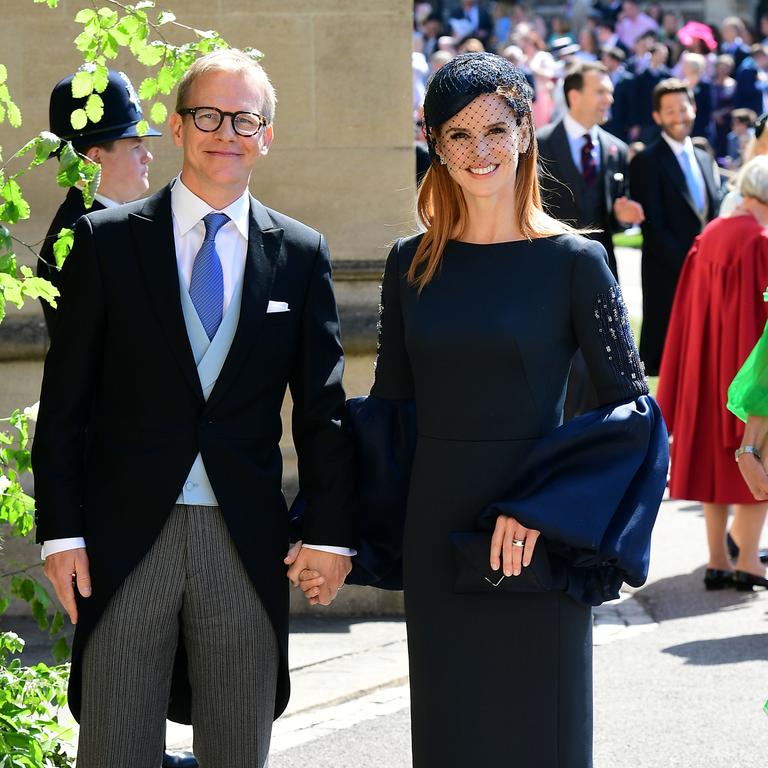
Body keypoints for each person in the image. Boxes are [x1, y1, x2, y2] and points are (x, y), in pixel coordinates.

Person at [310, 51, 652, 768]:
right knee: (452, 736)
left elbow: (632, 417)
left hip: (537, 537)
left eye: (495, 129)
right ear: (433, 145)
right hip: (439, 534)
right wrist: (330, 532)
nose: (479, 151)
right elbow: (390, 417)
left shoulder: (574, 262)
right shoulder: (411, 263)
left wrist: (544, 511)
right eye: (457, 135)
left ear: (526, 132)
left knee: (542, 737)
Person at [31, 49, 356, 767]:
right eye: (207, 115)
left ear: (266, 135)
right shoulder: (105, 243)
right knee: (114, 748)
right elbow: (65, 406)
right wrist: (60, 535)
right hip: (122, 539)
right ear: (177, 128)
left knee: (238, 749)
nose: (226, 132)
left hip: (243, 540)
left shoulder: (299, 253)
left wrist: (332, 533)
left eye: (245, 118)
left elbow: (323, 408)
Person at [657, 156, 768, 591]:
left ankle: (718, 560)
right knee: (756, 462)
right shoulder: (759, 240)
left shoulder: (711, 233)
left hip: (706, 368)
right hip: (746, 371)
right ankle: (749, 563)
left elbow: (687, 312)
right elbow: (761, 321)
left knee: (712, 468)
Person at [38, 70, 160, 336]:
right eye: (136, 145)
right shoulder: (76, 237)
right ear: (94, 158)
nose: (148, 156)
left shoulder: (113, 225)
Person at [630, 78, 721, 375]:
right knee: (671, 366)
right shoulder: (647, 161)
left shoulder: (706, 158)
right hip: (669, 279)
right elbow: (654, 230)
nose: (678, 116)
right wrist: (692, 267)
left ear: (693, 109)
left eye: (683, 108)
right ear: (657, 116)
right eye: (669, 111)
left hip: (709, 276)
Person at [537, 60, 644, 279]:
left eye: (610, 92)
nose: (610, 99)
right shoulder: (539, 145)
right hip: (550, 270)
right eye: (600, 92)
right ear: (574, 96)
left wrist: (622, 217)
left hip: (601, 271)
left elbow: (612, 217)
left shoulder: (618, 150)